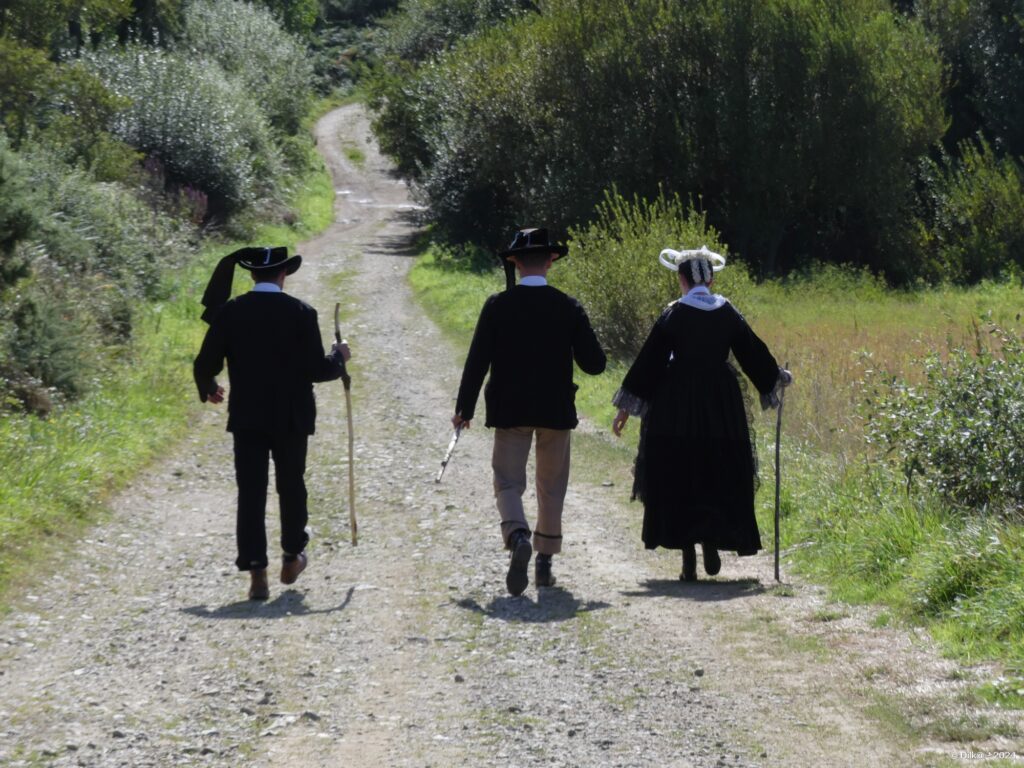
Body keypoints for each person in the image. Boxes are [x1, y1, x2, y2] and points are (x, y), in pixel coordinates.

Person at [611, 245, 791, 581]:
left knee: (679, 470)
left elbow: (649, 363)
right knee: (716, 467)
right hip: (721, 406)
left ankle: (688, 557)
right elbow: (752, 352)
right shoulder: (727, 312)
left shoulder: (674, 314)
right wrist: (775, 376)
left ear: (681, 279)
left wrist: (625, 408)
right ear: (710, 278)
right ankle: (709, 539)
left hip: (675, 404)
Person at [453, 228, 606, 596]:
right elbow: (595, 364)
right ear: (550, 261)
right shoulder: (568, 307)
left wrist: (464, 408)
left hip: (510, 409)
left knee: (507, 481)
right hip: (555, 410)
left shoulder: (497, 306)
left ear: (516, 263)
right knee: (551, 487)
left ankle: (518, 533)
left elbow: (477, 361)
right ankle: (544, 564)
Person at [193, 246, 351, 600]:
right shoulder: (301, 312)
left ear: (251, 275)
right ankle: (292, 557)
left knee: (251, 492)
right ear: (283, 275)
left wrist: (209, 386)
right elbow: (316, 369)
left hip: (247, 416)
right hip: (291, 417)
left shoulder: (231, 312)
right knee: (291, 485)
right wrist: (338, 357)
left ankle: (256, 572)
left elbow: (205, 362)